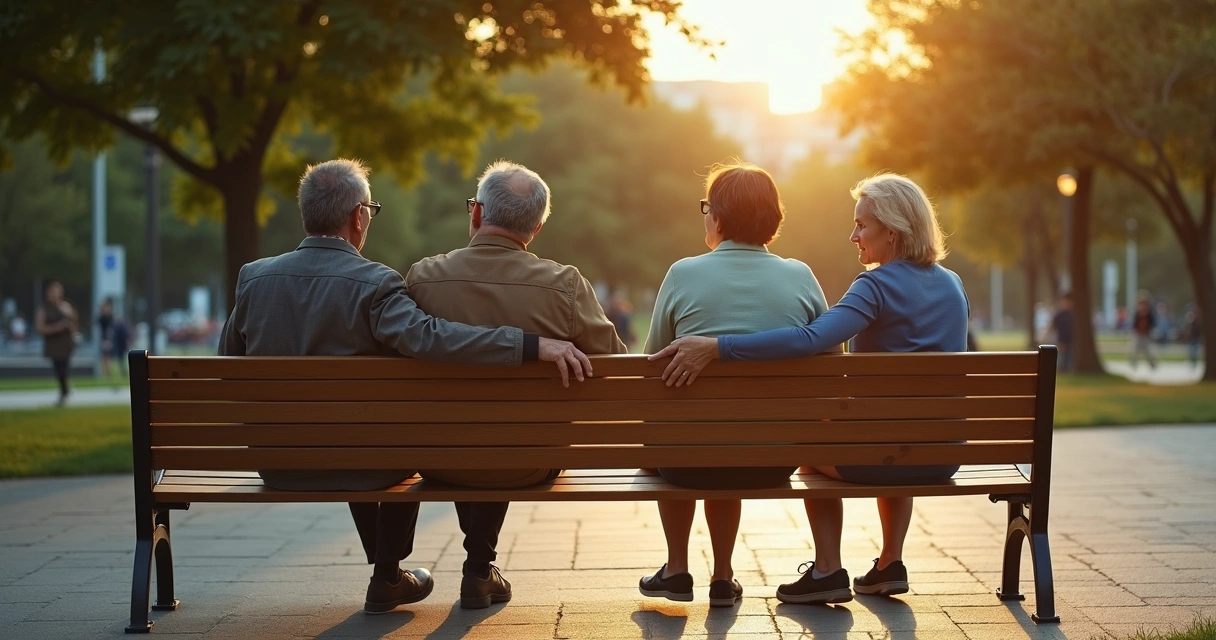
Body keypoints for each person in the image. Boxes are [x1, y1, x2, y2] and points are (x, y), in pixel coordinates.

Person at [218, 158, 592, 615]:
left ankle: (390, 574)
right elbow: (429, 338)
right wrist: (529, 345)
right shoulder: (375, 283)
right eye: (371, 210)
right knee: (401, 435)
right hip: (366, 465)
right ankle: (395, 574)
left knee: (395, 432)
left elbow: (228, 368)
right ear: (358, 216)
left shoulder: (253, 278)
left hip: (277, 464)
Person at [651, 172, 969, 605]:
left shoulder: (874, 286)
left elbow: (810, 340)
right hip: (943, 455)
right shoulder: (953, 284)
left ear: (891, 232)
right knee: (901, 431)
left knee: (812, 453)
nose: (853, 235)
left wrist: (719, 346)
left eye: (862, 225)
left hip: (880, 456)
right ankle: (889, 561)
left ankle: (827, 569)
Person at [405, 160, 627, 609]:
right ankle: (478, 569)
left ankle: (478, 568)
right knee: (503, 435)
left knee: (473, 430)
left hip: (434, 457)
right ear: (537, 228)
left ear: (476, 213)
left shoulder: (423, 277)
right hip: (528, 461)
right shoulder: (566, 286)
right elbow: (618, 368)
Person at [637, 163, 830, 608]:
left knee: (681, 435)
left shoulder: (682, 273)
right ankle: (722, 576)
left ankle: (677, 569)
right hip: (775, 459)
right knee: (725, 441)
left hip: (686, 461)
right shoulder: (800, 275)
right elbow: (831, 363)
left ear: (718, 218)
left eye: (707, 209)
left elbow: (655, 361)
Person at [35, 279, 78, 407]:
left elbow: (74, 324)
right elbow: (40, 328)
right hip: (53, 345)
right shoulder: (44, 309)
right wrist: (57, 327)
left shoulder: (66, 306)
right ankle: (64, 391)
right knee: (58, 369)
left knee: (64, 368)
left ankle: (64, 393)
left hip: (65, 344)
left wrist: (69, 321)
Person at [1130, 295, 1157, 369]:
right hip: (1138, 334)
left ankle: (1152, 364)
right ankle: (1133, 364)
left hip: (1146, 334)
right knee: (1134, 349)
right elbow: (1134, 324)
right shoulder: (1137, 314)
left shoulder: (1149, 315)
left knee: (1148, 350)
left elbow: (1152, 324)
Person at [1051, 293, 1075, 372]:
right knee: (1062, 356)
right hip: (1062, 339)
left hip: (1071, 339)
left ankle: (1068, 368)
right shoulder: (1059, 315)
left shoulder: (1073, 314)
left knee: (1069, 356)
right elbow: (1053, 326)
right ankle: (1062, 368)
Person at [97, 298, 114, 376]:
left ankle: (107, 372)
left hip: (108, 338)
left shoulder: (109, 317)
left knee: (107, 356)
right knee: (104, 356)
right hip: (104, 338)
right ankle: (105, 372)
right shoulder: (102, 318)